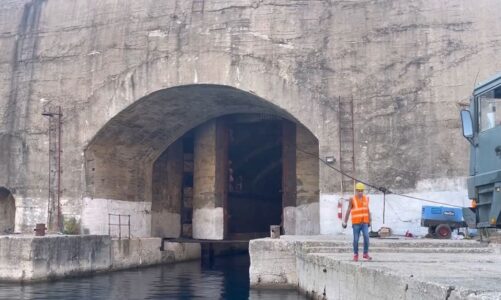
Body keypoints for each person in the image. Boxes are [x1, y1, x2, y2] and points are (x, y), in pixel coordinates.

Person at [342, 182, 372, 261]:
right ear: (356, 191)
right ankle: (356, 254)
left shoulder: (366, 198)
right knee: (356, 239)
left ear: (363, 191)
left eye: (361, 191)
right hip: (356, 224)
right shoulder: (352, 199)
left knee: (366, 237)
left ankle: (365, 254)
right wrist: (345, 221)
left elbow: (368, 210)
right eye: (358, 191)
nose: (360, 192)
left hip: (364, 222)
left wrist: (369, 221)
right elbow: (348, 210)